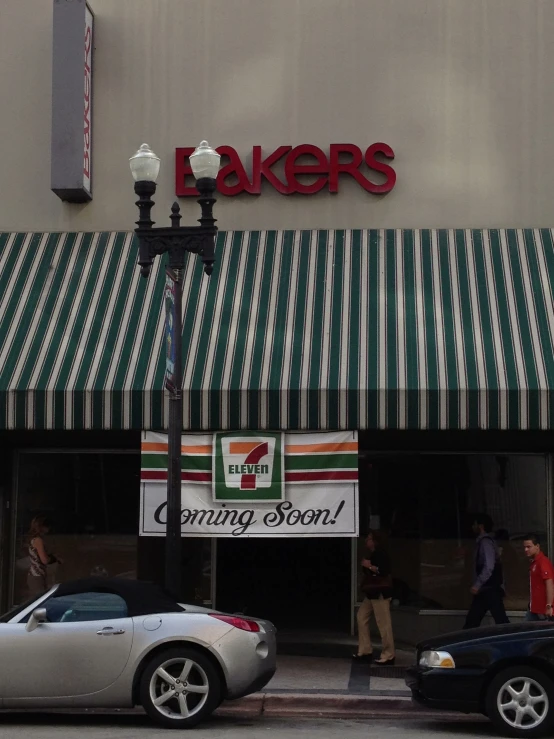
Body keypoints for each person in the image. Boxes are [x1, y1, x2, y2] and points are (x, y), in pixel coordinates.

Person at [353, 531, 395, 665]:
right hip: (372, 593)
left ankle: (389, 655)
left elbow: (383, 571)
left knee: (383, 623)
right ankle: (365, 650)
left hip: (380, 593)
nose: (366, 540)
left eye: (369, 538)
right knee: (361, 616)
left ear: (375, 541)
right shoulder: (374, 553)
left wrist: (368, 565)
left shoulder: (381, 553)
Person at [464, 514, 509, 629]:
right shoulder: (486, 542)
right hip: (486, 590)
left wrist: (477, 585)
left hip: (488, 589)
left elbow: (489, 566)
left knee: (500, 621)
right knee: (472, 622)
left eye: (474, 524)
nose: (472, 527)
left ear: (481, 526)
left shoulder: (485, 542)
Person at [27, 516, 62, 596]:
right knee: (39, 601)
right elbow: (44, 560)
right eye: (47, 526)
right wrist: (55, 559)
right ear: (42, 526)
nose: (49, 529)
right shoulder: (38, 540)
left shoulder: (34, 539)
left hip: (35, 575)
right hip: (37, 575)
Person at [523, 533, 554, 621]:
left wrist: (549, 606)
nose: (526, 549)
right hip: (534, 609)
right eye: (525, 547)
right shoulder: (534, 562)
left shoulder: (542, 562)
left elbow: (549, 584)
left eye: (529, 547)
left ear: (537, 546)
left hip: (542, 611)